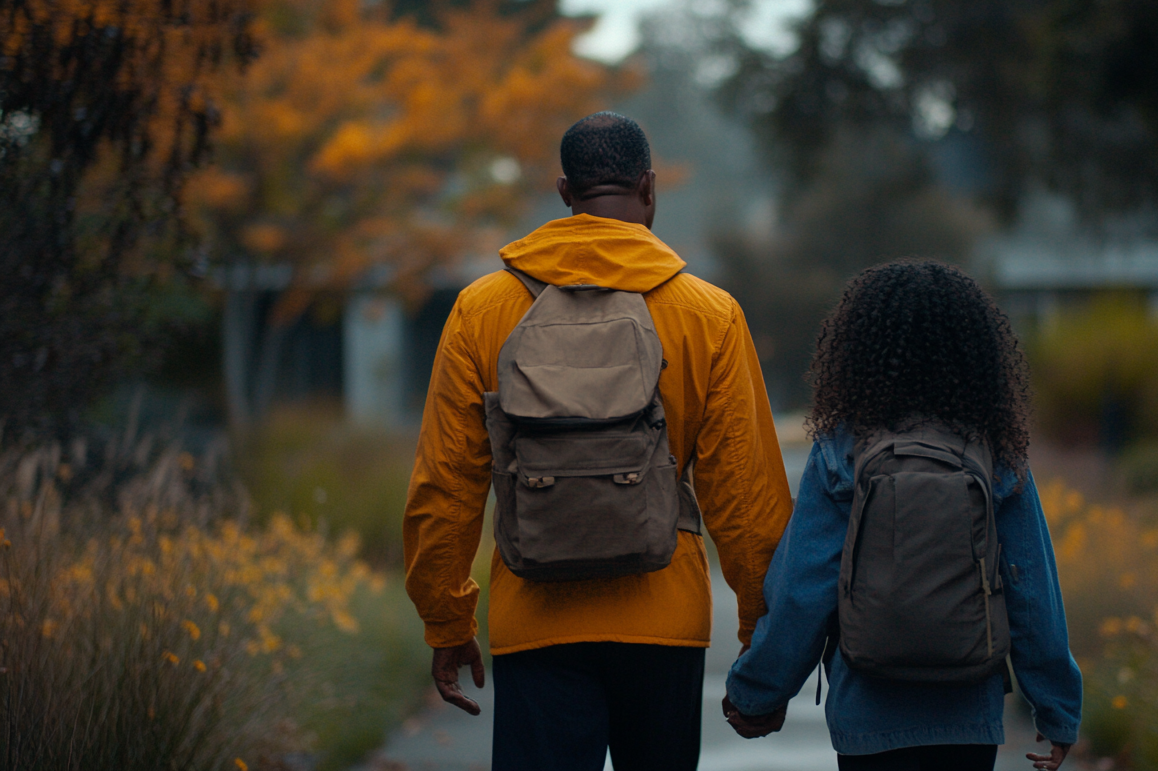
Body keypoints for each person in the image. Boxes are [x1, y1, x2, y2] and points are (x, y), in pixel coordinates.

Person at [403, 112, 793, 770]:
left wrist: (448, 622)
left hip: (536, 619)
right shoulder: (709, 315)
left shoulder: (482, 310)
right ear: (649, 187)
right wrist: (760, 632)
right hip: (664, 620)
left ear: (564, 191)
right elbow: (746, 499)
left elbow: (446, 484)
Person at [723, 259, 1082, 771]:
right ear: (975, 353)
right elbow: (1030, 589)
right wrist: (1057, 709)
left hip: (868, 715)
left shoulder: (841, 449)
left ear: (861, 352)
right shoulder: (994, 453)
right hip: (967, 711)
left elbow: (804, 589)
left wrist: (758, 693)